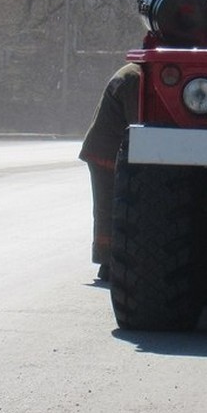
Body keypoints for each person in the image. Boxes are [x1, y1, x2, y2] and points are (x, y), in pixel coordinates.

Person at [78, 62, 142, 282]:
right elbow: (138, 121)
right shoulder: (135, 78)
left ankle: (109, 262)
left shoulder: (132, 73)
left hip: (106, 149)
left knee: (109, 209)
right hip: (105, 152)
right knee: (109, 210)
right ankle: (107, 264)